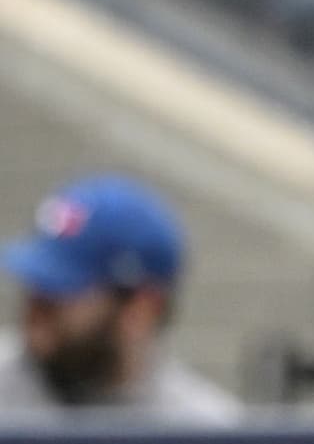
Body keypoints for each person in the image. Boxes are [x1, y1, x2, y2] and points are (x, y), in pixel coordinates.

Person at [0, 174, 241, 424]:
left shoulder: (204, 433)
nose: (35, 303)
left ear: (141, 309)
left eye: (59, 290)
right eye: (35, 282)